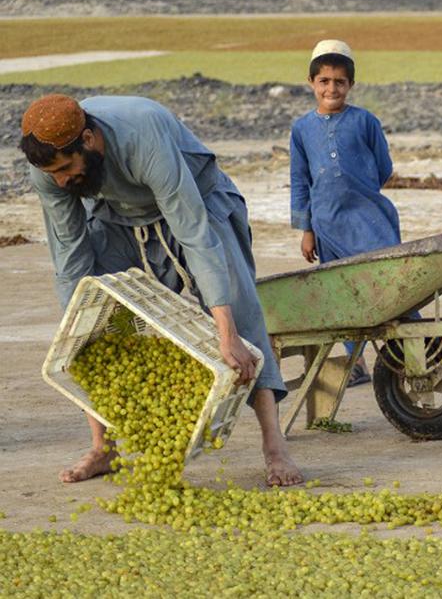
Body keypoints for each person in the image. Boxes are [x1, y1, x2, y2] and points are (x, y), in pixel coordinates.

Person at [21, 93, 303, 486]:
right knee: (97, 319)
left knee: (238, 310)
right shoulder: (51, 173)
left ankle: (275, 448)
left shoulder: (142, 134)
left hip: (197, 203)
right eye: (53, 175)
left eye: (67, 168)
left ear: (89, 139)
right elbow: (70, 257)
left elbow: (193, 232)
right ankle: (104, 447)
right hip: (118, 218)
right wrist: (77, 332)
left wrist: (226, 333)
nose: (62, 180)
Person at [290, 40, 400, 386]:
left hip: (370, 221)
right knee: (343, 293)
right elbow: (300, 180)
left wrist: (359, 191)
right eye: (324, 81)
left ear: (350, 85)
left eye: (339, 82)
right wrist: (307, 228)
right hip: (327, 224)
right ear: (311, 83)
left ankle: (405, 353)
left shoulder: (365, 121)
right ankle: (356, 363)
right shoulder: (302, 130)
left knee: (392, 286)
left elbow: (383, 167)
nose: (331, 88)